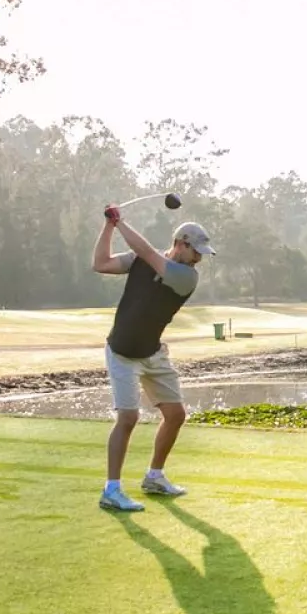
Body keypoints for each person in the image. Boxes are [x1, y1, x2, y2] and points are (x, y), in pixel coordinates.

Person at [91, 208, 217, 512]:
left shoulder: (187, 277)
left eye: (201, 254)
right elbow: (100, 264)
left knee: (176, 415)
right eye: (195, 252)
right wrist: (109, 227)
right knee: (128, 418)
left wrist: (120, 222)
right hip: (121, 351)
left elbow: (147, 252)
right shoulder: (138, 262)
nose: (199, 258)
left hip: (152, 353)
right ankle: (112, 489)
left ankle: (155, 476)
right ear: (181, 242)